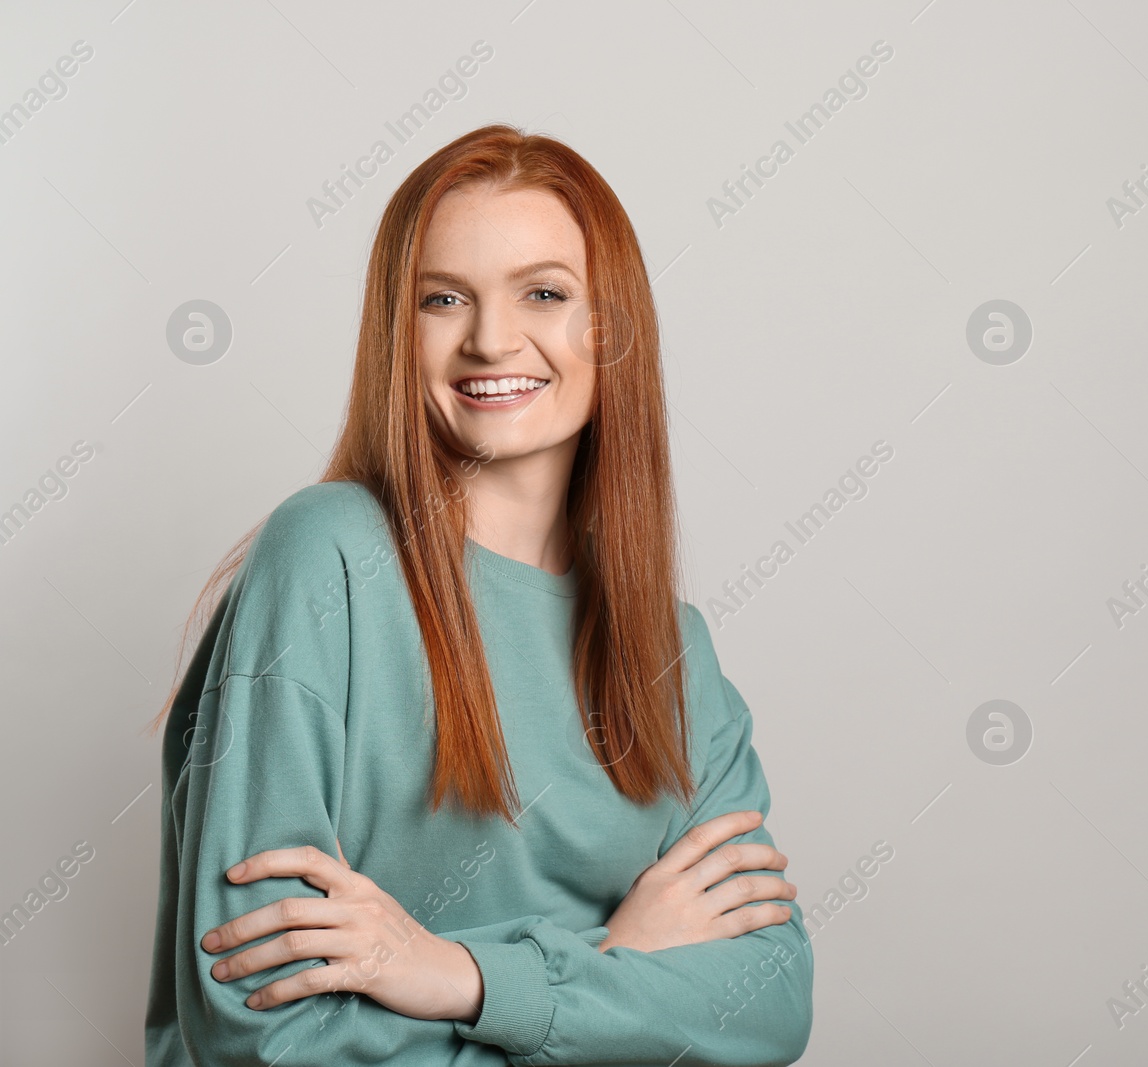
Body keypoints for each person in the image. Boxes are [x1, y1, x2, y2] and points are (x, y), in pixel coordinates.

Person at [142, 124, 814, 1066]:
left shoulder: (673, 649)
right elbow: (263, 1033)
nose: (492, 339)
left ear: (610, 328)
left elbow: (769, 1004)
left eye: (543, 292)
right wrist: (618, 965)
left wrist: (459, 974)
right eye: (443, 299)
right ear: (396, 333)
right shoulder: (328, 558)